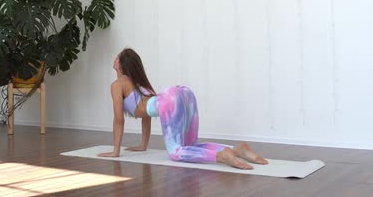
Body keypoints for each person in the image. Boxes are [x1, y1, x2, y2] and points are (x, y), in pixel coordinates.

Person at [97, 48, 269, 170]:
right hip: (184, 93)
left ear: (120, 65)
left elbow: (118, 120)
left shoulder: (117, 85)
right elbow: (146, 115)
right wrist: (143, 145)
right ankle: (236, 149)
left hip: (171, 100)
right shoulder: (140, 82)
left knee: (176, 153)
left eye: (117, 57)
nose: (115, 58)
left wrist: (115, 151)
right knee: (190, 145)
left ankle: (221, 156)